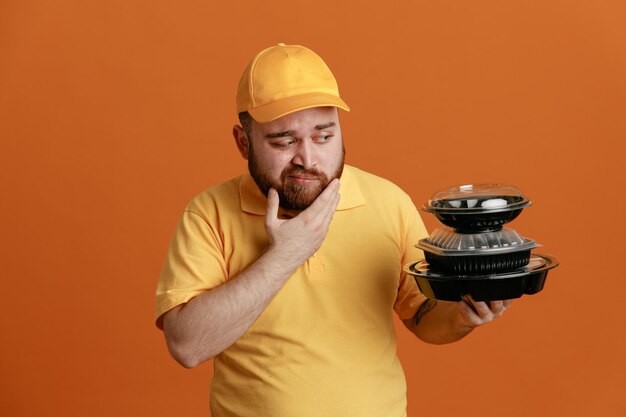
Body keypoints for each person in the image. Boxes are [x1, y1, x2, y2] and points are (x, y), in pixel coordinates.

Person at [155, 43, 512, 417]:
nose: (307, 159)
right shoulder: (208, 214)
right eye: (284, 141)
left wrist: (462, 314)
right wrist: (284, 256)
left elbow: (422, 314)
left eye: (323, 137)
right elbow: (187, 345)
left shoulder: (388, 202)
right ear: (243, 143)